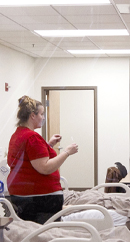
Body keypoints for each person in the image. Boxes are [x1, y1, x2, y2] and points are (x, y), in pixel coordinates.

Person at [6, 95, 78, 223]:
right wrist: (67, 152)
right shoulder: (32, 137)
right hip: (39, 198)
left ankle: (66, 209)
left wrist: (48, 145)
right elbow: (44, 167)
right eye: (41, 114)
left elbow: (32, 159)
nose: (43, 117)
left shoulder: (18, 135)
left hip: (25, 197)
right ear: (32, 116)